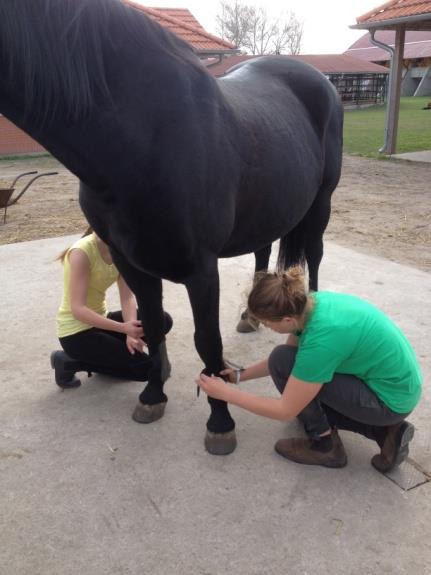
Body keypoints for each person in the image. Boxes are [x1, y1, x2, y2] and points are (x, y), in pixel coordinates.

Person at [197, 266, 422, 473]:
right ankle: (385, 433)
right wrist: (239, 376)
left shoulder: (322, 339)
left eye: (267, 323)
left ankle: (325, 446)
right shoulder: (308, 305)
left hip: (388, 402)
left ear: (286, 320)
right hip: (397, 389)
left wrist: (226, 394)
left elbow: (284, 409)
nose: (267, 327)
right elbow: (286, 360)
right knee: (285, 365)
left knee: (299, 403)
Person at [51, 227, 172, 388]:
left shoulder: (121, 250)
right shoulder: (81, 253)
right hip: (76, 333)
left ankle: (107, 358)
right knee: (146, 369)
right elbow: (77, 309)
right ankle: (68, 361)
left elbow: (127, 297)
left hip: (101, 320)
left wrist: (131, 332)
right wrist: (123, 328)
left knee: (161, 320)